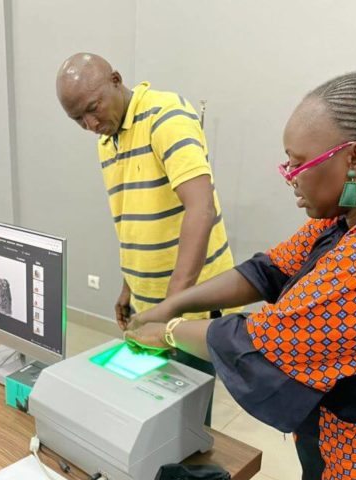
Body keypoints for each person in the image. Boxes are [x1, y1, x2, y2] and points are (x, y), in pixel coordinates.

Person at [124, 48, 356, 480]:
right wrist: (174, 299)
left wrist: (167, 332)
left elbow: (262, 341)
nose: (289, 175)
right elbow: (266, 270)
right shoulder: (352, 214)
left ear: (354, 158)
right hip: (339, 460)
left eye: (298, 162)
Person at [55, 53, 236, 333]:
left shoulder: (166, 117)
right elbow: (133, 220)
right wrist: (129, 287)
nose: (90, 125)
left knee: (186, 377)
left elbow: (202, 209)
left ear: (116, 80)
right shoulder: (107, 139)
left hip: (191, 304)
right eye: (77, 119)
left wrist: (170, 307)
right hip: (148, 304)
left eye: (93, 108)